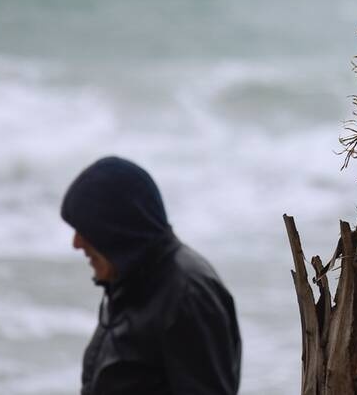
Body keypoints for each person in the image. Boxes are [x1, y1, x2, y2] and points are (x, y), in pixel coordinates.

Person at [61, 156, 241, 394]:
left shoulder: (188, 295)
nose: (76, 243)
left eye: (86, 229)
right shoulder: (129, 282)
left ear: (117, 227)